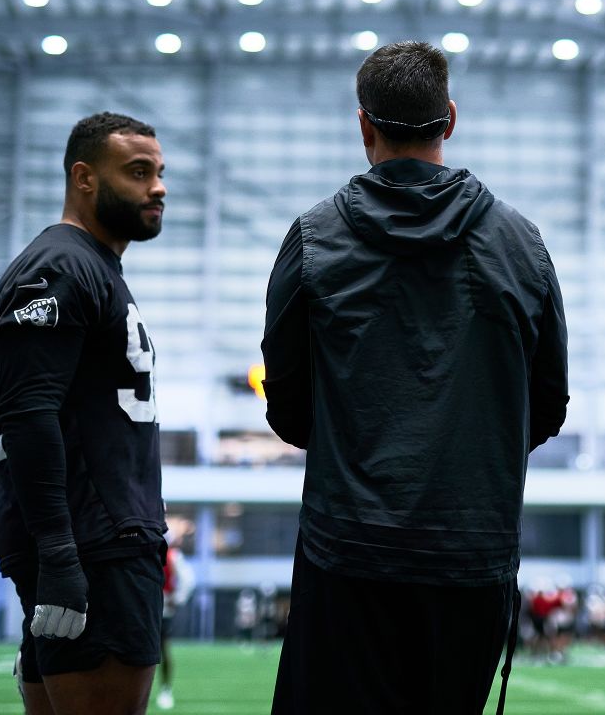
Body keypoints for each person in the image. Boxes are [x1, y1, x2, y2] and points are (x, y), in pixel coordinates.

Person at [262, 40, 569, 715]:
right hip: (473, 555)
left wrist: (360, 454)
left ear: (364, 126)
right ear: (449, 120)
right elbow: (547, 404)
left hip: (347, 551)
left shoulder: (314, 238)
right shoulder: (522, 242)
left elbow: (285, 403)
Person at [0, 111, 168, 715]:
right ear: (84, 178)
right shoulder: (61, 266)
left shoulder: (90, 266)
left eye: (159, 173)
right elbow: (27, 417)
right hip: (95, 546)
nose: (157, 186)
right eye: (138, 172)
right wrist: (59, 556)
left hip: (97, 541)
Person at [156, 544, 195, 710]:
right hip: (143, 607)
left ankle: (165, 689)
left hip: (162, 607)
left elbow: (188, 580)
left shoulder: (172, 554)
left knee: (163, 649)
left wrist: (177, 598)